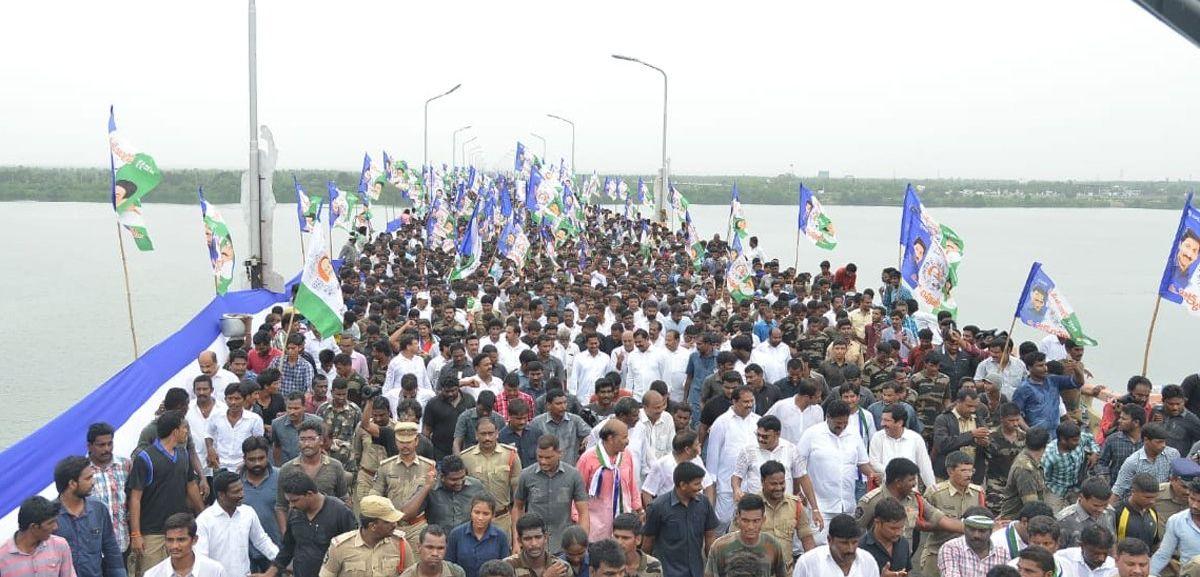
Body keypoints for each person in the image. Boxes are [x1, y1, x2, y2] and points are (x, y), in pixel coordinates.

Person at [129, 410, 204, 577]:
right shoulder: (145, 458)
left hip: (180, 530)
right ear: (175, 431)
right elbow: (135, 498)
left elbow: (190, 485)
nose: (187, 432)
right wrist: (136, 534)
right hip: (152, 533)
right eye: (185, 428)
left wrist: (204, 514)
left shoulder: (183, 454)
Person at [796, 401, 876, 543]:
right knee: (820, 548)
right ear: (828, 417)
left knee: (845, 548)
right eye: (838, 423)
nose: (842, 427)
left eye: (845, 423)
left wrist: (875, 477)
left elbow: (863, 464)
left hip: (847, 506)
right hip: (820, 506)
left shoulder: (853, 435)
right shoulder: (811, 434)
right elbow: (798, 468)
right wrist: (805, 498)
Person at [263, 473, 358, 577]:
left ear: (309, 494)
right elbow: (288, 547)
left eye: (294, 500)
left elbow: (353, 551)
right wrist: (270, 573)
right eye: (289, 501)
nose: (291, 505)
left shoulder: (340, 512)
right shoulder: (294, 513)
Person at [511, 435, 589, 555]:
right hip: (533, 545)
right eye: (540, 457)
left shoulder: (573, 475)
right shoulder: (526, 475)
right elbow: (517, 508)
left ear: (559, 454)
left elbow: (583, 512)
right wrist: (516, 542)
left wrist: (582, 543)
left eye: (548, 457)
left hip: (563, 545)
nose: (543, 461)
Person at [856, 458, 962, 543]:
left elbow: (941, 519)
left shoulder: (915, 498)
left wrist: (971, 528)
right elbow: (856, 532)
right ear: (898, 482)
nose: (915, 484)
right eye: (911, 480)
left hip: (904, 560)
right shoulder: (871, 501)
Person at [642, 462, 720, 577]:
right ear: (683, 485)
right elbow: (648, 541)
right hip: (667, 572)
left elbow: (710, 536)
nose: (701, 487)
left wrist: (712, 568)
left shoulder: (704, 503)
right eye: (696, 484)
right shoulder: (658, 507)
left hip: (696, 572)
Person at [52, 456, 126, 577]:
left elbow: (111, 550)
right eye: (88, 478)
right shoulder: (50, 516)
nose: (93, 482)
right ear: (72, 483)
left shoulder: (98, 509)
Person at [195, 470, 278, 577]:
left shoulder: (248, 513)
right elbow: (201, 558)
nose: (242, 495)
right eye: (236, 492)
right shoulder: (204, 521)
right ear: (221, 495)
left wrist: (280, 561)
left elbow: (262, 541)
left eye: (242, 489)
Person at [920, 451, 988, 577]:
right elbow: (921, 524)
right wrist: (945, 524)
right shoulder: (935, 493)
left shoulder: (978, 493)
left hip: (967, 556)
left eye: (970, 470)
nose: (968, 475)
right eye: (963, 470)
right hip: (937, 552)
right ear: (950, 471)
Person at [371, 421, 436, 552]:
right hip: (391, 525)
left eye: (409, 441)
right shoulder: (385, 466)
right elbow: (376, 494)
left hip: (417, 526)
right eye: (401, 442)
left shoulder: (429, 466)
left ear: (416, 441)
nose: (405, 446)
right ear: (396, 441)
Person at [576, 418, 643, 542]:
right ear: (610, 438)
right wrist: (577, 519)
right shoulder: (588, 458)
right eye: (623, 437)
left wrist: (639, 509)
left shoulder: (627, 455)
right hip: (595, 526)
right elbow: (577, 491)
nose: (627, 441)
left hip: (623, 525)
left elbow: (632, 485)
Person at [275, 421, 349, 531]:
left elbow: (344, 500)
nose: (306, 444)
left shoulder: (335, 466)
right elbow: (281, 506)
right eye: (302, 439)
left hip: (329, 528)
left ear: (321, 441)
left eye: (311, 439)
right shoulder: (287, 469)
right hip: (298, 530)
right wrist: (285, 534)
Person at [318, 495, 416, 577]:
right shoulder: (340, 547)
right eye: (388, 522)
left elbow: (412, 574)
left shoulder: (400, 544)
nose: (394, 525)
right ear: (372, 526)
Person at [706, 386, 761, 527]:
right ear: (734, 401)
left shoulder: (758, 422)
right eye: (745, 401)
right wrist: (712, 487)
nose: (749, 405)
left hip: (753, 486)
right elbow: (712, 458)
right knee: (722, 522)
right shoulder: (721, 423)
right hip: (726, 486)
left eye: (751, 401)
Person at [460, 418, 521, 536]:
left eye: (491, 433)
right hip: (475, 522)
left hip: (502, 520)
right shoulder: (465, 458)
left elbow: (518, 501)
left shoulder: (511, 455)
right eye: (483, 434)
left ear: (497, 433)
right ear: (476, 435)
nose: (487, 438)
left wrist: (516, 536)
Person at [705, 495, 788, 577]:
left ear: (763, 519)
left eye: (756, 521)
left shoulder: (773, 546)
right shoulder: (720, 547)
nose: (750, 527)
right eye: (745, 521)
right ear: (738, 518)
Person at [86, 422, 132, 555]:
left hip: (122, 543)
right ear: (89, 446)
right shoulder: (82, 471)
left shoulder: (125, 465)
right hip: (94, 549)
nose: (107, 449)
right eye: (101, 445)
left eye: (110, 443)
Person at [0, 496, 75, 577]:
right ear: (34, 527)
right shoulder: (2, 556)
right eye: (50, 523)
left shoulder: (60, 545)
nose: (55, 527)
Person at [731, 415, 800, 501]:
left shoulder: (791, 449)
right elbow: (737, 475)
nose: (760, 439)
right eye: (758, 435)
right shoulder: (748, 450)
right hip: (757, 506)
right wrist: (737, 490)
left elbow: (799, 476)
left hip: (785, 505)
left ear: (777, 434)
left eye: (765, 436)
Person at [869, 405, 937, 491]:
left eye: (887, 420)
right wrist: (897, 473)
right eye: (882, 419)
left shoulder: (915, 439)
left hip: (910, 493)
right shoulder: (877, 437)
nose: (882, 423)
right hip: (885, 492)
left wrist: (933, 490)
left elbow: (925, 467)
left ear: (900, 422)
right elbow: (874, 463)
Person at [239, 436, 281, 572]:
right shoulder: (235, 482)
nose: (257, 463)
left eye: (261, 458)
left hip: (274, 549)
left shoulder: (280, 477)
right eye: (252, 459)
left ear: (267, 456)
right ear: (244, 459)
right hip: (244, 551)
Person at [791, 514, 879, 577]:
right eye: (844, 543)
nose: (851, 549)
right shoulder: (808, 563)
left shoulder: (868, 561)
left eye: (854, 542)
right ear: (830, 540)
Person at [144, 513, 226, 577]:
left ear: (194, 540)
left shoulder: (215, 571)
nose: (174, 546)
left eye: (181, 540)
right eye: (170, 540)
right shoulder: (152, 574)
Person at [446, 495, 510, 577]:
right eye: (477, 512)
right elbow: (449, 565)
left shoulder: (501, 536)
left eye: (485, 514)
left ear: (493, 515)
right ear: (471, 512)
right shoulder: (456, 534)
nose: (480, 518)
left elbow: (505, 568)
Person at [1113, 424, 1180, 500]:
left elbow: (1176, 480)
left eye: (1164, 442)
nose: (1163, 445)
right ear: (1146, 440)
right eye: (1159, 442)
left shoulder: (1172, 454)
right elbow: (1118, 490)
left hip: (1165, 501)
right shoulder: (1133, 462)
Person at [938, 508, 1011, 577]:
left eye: (982, 531)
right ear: (964, 529)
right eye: (972, 530)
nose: (976, 535)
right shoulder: (951, 548)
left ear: (991, 531)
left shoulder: (1003, 553)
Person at [999, 426, 1050, 519]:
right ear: (1045, 445)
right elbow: (1032, 507)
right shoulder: (1025, 469)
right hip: (1017, 521)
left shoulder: (1029, 459)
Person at [426, 456, 488, 531]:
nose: (459, 482)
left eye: (462, 477)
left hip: (469, 538)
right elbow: (409, 514)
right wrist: (426, 487)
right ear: (442, 477)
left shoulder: (476, 486)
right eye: (454, 479)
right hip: (440, 540)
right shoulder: (432, 489)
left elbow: (487, 512)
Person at [502, 514, 572, 577]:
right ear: (519, 541)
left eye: (538, 537)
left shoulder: (561, 567)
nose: (534, 543)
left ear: (545, 538)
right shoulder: (507, 566)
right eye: (527, 539)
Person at [857, 497, 912, 576]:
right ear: (877, 522)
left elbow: (906, 573)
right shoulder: (861, 549)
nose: (898, 533)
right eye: (893, 528)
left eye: (901, 527)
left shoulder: (903, 543)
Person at [1056, 477, 1115, 549]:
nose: (1101, 510)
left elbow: (1113, 544)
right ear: (1081, 497)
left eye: (1105, 505)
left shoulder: (1109, 512)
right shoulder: (1064, 520)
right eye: (1096, 505)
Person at [1111, 474, 1161, 549]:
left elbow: (1155, 543)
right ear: (1133, 492)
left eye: (1154, 497)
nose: (1152, 501)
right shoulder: (1116, 512)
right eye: (1147, 497)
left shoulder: (1152, 512)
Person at [399, 526, 466, 577]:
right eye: (429, 547)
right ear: (419, 547)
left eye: (440, 548)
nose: (435, 553)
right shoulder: (407, 575)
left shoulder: (456, 572)